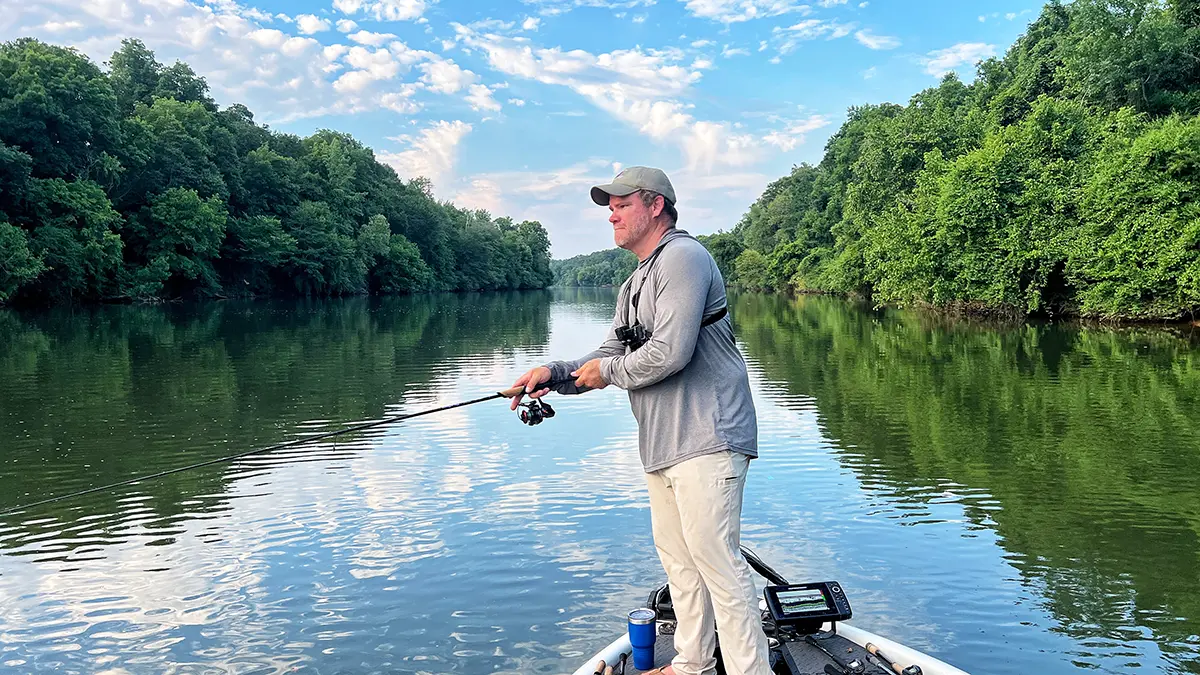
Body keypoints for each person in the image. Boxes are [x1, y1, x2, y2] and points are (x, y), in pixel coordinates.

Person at [509, 166, 771, 675]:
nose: (611, 213)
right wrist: (553, 374)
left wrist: (604, 372)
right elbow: (606, 356)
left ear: (655, 206)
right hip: (663, 444)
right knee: (679, 561)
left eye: (621, 203)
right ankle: (693, 662)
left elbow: (670, 352)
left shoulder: (684, 258)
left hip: (710, 434)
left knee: (717, 561)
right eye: (609, 205)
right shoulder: (634, 282)